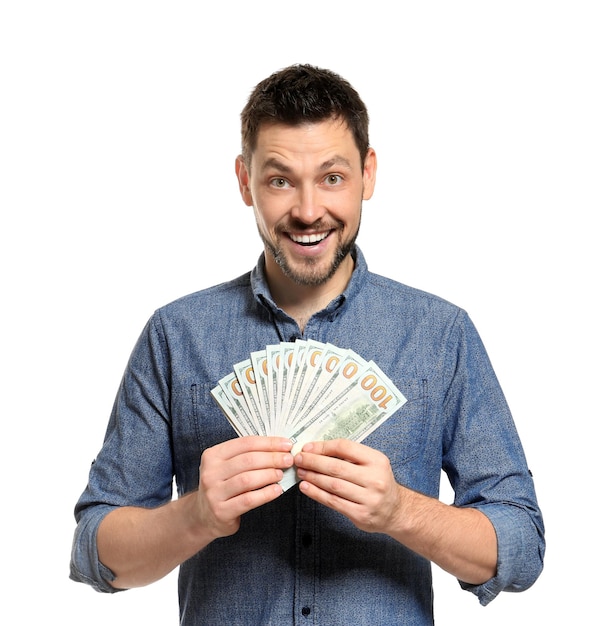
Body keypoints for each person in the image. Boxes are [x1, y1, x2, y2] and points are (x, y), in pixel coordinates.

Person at [70, 64, 545, 625]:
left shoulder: (441, 334)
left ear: (368, 174)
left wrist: (400, 511)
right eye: (279, 180)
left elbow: (520, 548)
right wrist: (196, 514)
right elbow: (96, 552)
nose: (308, 210)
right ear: (245, 181)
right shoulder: (176, 335)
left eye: (332, 177)